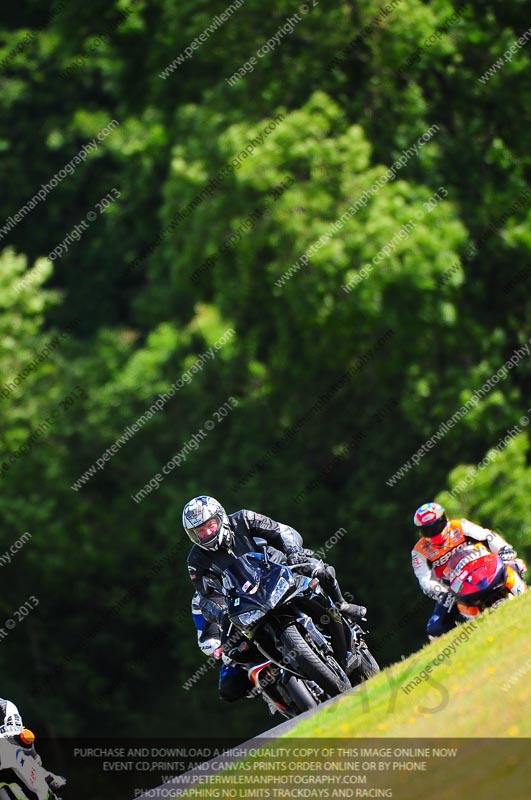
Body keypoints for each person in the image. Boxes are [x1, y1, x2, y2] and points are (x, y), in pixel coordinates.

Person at [184, 496, 366, 632]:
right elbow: (207, 596)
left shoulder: (243, 518)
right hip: (248, 601)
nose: (207, 532)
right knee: (233, 649)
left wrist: (294, 553)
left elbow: (279, 531)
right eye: (200, 530)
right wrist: (221, 613)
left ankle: (341, 604)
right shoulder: (196, 560)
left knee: (319, 570)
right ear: (192, 534)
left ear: (220, 517)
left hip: (279, 568)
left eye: (211, 525)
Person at [412, 502, 526, 639]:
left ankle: (524, 595)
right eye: (428, 530)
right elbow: (424, 579)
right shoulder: (418, 552)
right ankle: (466, 640)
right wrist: (440, 592)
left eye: (438, 525)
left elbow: (487, 536)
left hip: (484, 569)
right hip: (453, 588)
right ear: (421, 531)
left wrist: (504, 550)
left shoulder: (460, 526)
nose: (435, 532)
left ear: (444, 519)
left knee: (515, 565)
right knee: (435, 628)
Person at [0, 698, 66, 791]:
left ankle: (43, 775)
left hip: (6, 739)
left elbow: (14, 731)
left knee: (19, 739)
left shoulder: (5, 706)